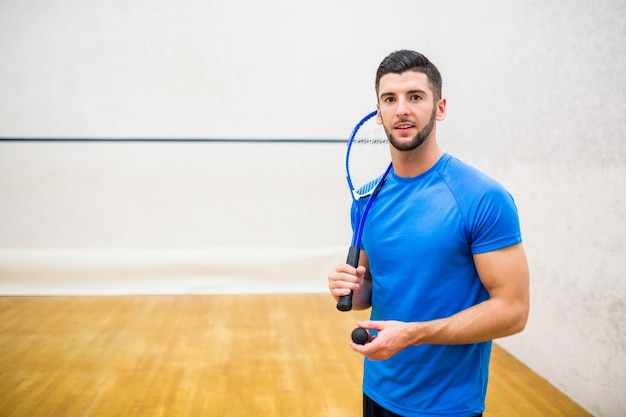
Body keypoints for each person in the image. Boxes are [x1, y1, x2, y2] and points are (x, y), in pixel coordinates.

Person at [328, 50, 530, 417]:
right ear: (378, 112)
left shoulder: (483, 197)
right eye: (390, 99)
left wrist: (415, 333)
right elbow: (371, 289)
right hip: (377, 391)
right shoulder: (367, 199)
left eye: (415, 97)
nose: (401, 109)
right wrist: (353, 290)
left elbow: (513, 312)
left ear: (440, 108)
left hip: (448, 406)